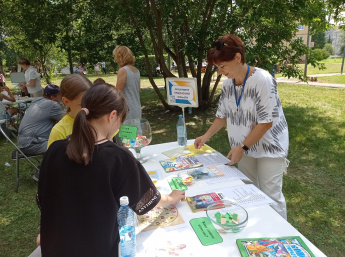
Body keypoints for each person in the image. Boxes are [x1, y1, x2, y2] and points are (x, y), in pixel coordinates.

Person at [36, 83, 185, 256]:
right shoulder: (118, 158)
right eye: (120, 122)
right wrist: (171, 198)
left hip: (54, 249)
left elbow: (46, 199)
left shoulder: (55, 149)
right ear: (112, 116)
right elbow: (146, 200)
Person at [194, 34, 289, 219]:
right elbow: (222, 116)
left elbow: (266, 122)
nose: (220, 72)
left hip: (269, 147)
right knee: (249, 191)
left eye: (222, 66)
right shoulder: (228, 85)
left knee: (271, 195)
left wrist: (242, 147)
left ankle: (281, 237)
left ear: (237, 58)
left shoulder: (263, 79)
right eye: (217, 67)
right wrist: (205, 137)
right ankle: (256, 230)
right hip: (242, 147)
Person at [18, 84, 64, 156]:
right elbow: (66, 120)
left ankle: (46, 165)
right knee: (66, 146)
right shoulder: (53, 105)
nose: (61, 99)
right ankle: (50, 167)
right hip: (33, 144)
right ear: (52, 97)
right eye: (60, 96)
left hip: (23, 142)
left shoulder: (36, 101)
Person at [47, 74, 92, 148]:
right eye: (82, 105)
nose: (88, 109)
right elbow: (54, 157)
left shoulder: (97, 120)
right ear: (66, 101)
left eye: (92, 103)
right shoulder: (59, 131)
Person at [113, 45, 142, 120]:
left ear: (120, 57)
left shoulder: (123, 70)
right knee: (136, 130)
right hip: (136, 107)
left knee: (126, 131)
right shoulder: (136, 70)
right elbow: (139, 90)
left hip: (127, 109)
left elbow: (118, 92)